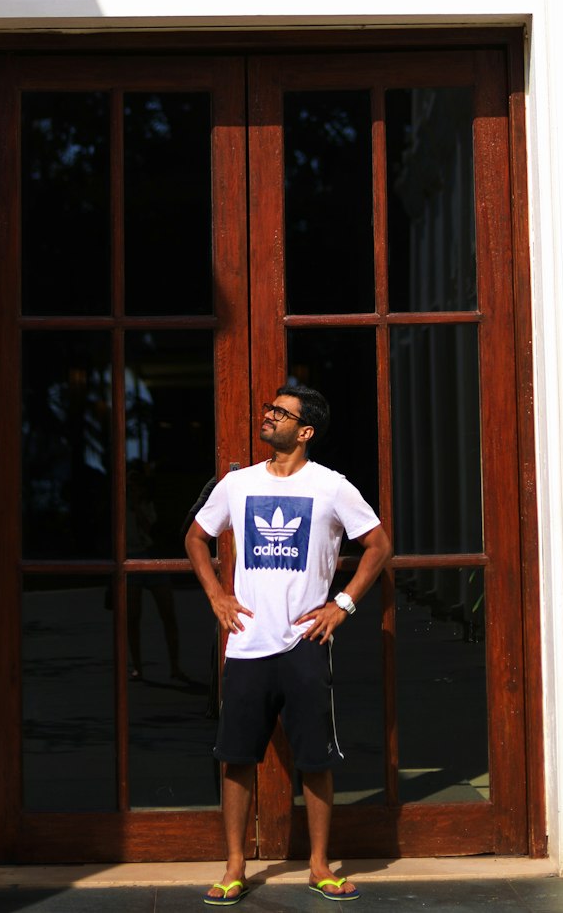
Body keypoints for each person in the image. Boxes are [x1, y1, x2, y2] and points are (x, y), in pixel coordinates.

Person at [185, 385, 392, 906]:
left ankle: (319, 865)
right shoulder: (237, 483)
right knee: (235, 757)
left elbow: (378, 545)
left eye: (280, 413)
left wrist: (340, 605)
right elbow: (195, 536)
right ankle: (235, 866)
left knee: (315, 760)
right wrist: (217, 595)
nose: (268, 415)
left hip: (303, 643)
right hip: (248, 643)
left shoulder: (332, 487)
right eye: (268, 409)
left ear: (305, 432)